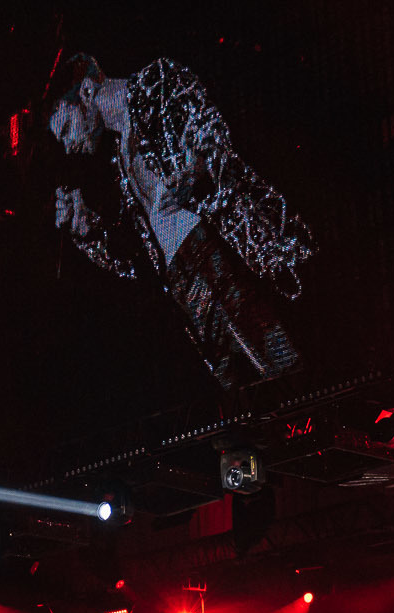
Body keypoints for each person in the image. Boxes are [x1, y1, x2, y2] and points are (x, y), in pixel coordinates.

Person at [46, 52, 312, 391]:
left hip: (216, 251)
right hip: (184, 284)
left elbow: (214, 133)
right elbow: (136, 265)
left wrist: (198, 169)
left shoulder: (157, 83)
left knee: (285, 368)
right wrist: (86, 231)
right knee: (245, 398)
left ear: (86, 92)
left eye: (67, 128)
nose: (69, 146)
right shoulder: (118, 162)